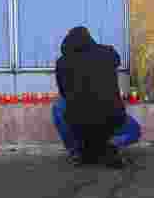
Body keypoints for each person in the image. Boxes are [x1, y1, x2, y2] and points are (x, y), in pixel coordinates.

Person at [53, 26, 136, 167]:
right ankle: (109, 145)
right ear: (90, 38)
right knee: (135, 131)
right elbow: (117, 60)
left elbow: (63, 91)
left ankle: (78, 151)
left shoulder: (62, 62)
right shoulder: (108, 52)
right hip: (112, 119)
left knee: (58, 107)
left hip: (79, 122)